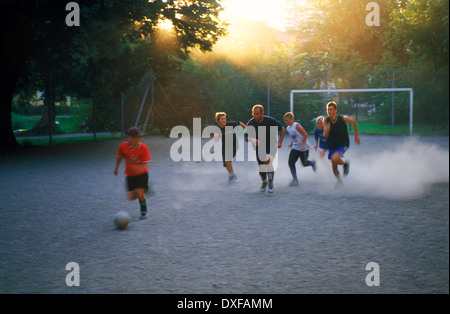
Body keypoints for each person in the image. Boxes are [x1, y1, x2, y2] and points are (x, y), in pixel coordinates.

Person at [245, 104, 285, 193]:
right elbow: (246, 137)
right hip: (259, 147)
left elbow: (282, 129)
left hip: (272, 145)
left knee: (268, 162)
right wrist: (252, 139)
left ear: (262, 113)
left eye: (257, 114)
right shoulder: (251, 123)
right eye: (254, 114)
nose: (255, 116)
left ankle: (271, 183)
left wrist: (280, 142)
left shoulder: (270, 121)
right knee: (262, 168)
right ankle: (264, 182)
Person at [114, 127, 151, 219]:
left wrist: (137, 169)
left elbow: (146, 164)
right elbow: (119, 157)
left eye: (139, 137)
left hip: (142, 174)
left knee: (140, 194)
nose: (139, 139)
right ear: (130, 137)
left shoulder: (144, 148)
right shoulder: (123, 146)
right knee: (131, 197)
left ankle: (143, 211)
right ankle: (145, 189)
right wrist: (116, 168)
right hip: (130, 175)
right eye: (136, 137)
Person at [323, 101, 360, 187]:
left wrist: (356, 136)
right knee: (334, 166)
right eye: (328, 110)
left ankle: (345, 164)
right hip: (332, 144)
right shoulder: (326, 120)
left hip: (343, 143)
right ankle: (339, 181)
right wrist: (326, 131)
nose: (329, 111)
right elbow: (325, 136)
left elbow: (354, 122)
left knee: (334, 158)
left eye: (331, 109)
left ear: (335, 110)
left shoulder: (343, 118)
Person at [283, 112, 316, 186]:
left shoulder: (296, 125)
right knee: (290, 162)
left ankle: (312, 163)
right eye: (285, 121)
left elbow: (305, 134)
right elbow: (294, 136)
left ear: (292, 119)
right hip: (295, 148)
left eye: (288, 120)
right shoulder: (288, 128)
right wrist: (292, 143)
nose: (286, 122)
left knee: (304, 164)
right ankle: (295, 180)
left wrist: (303, 143)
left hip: (303, 148)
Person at [214, 112, 246, 184]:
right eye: (222, 119)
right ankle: (232, 175)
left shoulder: (230, 124)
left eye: (224, 118)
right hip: (225, 146)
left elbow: (239, 123)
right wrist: (216, 137)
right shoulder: (217, 129)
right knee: (226, 163)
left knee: (227, 160)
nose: (224, 120)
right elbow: (216, 140)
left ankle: (231, 175)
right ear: (218, 120)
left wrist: (246, 129)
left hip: (234, 145)